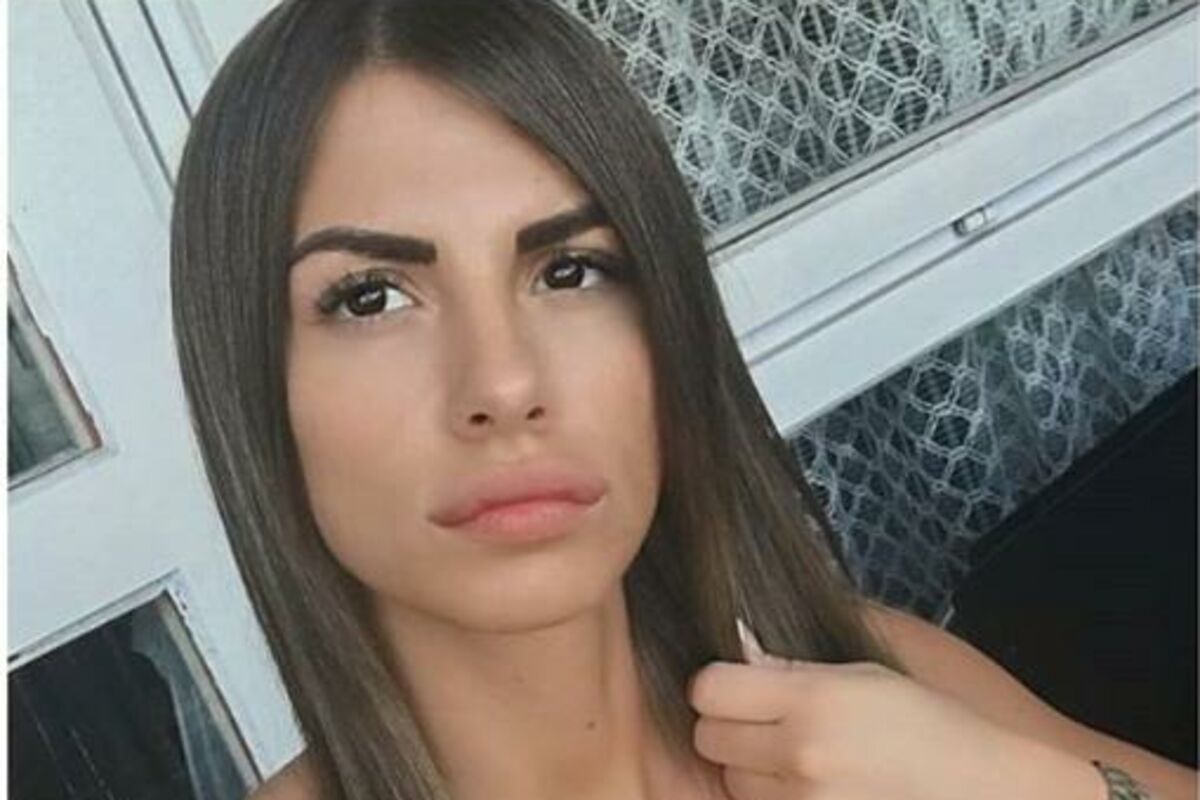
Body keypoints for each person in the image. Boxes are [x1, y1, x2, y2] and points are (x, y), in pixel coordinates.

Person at [169, 2, 1195, 799]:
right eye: (371, 297)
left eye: (570, 270)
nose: (504, 384)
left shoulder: (870, 681)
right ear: (257, 385)